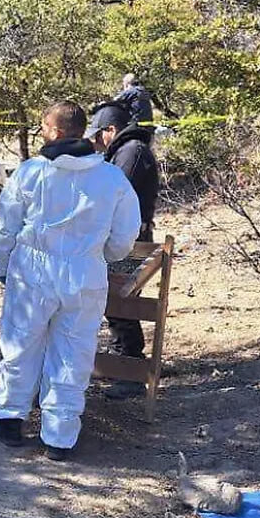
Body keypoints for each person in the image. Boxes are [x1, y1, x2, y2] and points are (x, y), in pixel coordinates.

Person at [0, 101, 141, 461]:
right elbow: (125, 235)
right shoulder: (111, 178)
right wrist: (103, 256)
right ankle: (59, 436)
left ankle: (8, 420)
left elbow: (5, 227)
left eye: (43, 127)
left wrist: (4, 267)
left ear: (54, 131)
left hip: (33, 270)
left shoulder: (31, 173)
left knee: (21, 344)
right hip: (84, 273)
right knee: (74, 352)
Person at [86, 101, 160, 400]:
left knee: (121, 303)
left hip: (130, 243)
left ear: (111, 130)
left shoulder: (131, 152)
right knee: (117, 304)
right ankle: (123, 364)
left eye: (99, 135)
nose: (96, 141)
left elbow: (114, 197)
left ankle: (130, 371)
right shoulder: (128, 150)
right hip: (127, 240)